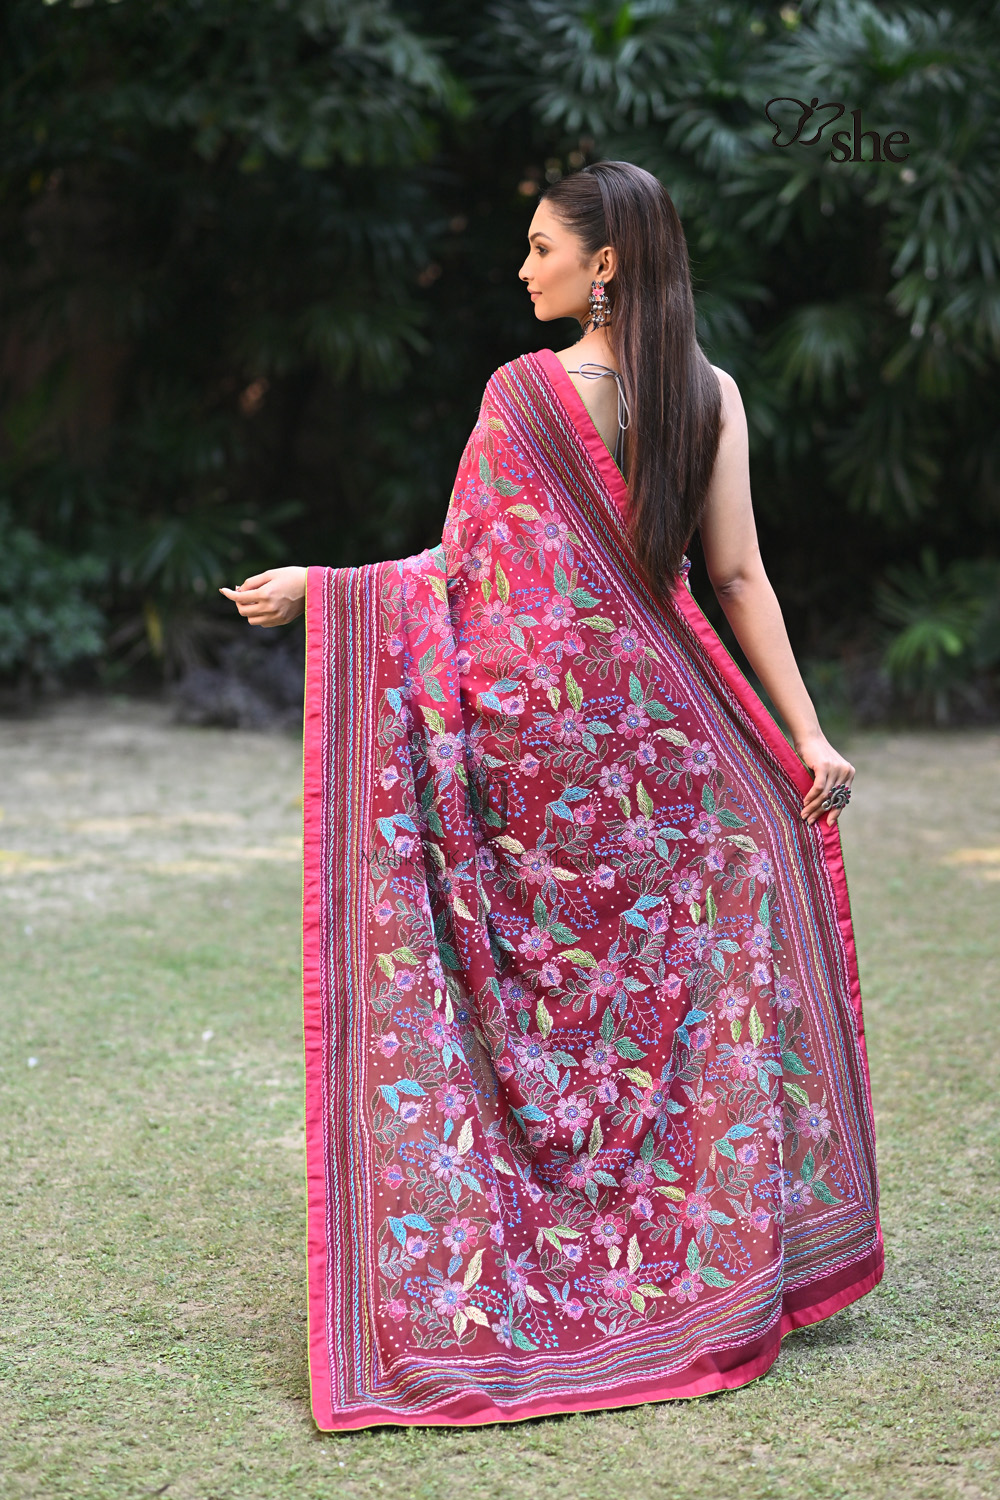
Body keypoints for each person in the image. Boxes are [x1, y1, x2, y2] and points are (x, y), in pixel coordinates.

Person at [222, 162, 881, 1431]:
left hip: (541, 758)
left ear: (606, 263)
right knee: (670, 1001)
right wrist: (801, 737)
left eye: (540, 247)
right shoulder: (711, 394)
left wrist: (328, 589)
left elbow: (469, 576)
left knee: (551, 1008)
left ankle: (556, 1256)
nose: (524, 269)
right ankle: (696, 1261)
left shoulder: (522, 395)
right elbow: (738, 578)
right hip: (675, 747)